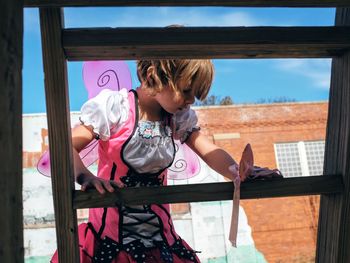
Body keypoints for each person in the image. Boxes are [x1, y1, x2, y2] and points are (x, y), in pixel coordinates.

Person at [51, 59, 239, 263]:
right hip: (110, 244)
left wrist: (238, 172)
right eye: (186, 90)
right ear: (153, 76)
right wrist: (85, 176)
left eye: (195, 93)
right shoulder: (117, 108)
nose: (191, 100)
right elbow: (64, 146)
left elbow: (208, 149)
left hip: (162, 243)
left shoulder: (177, 119)